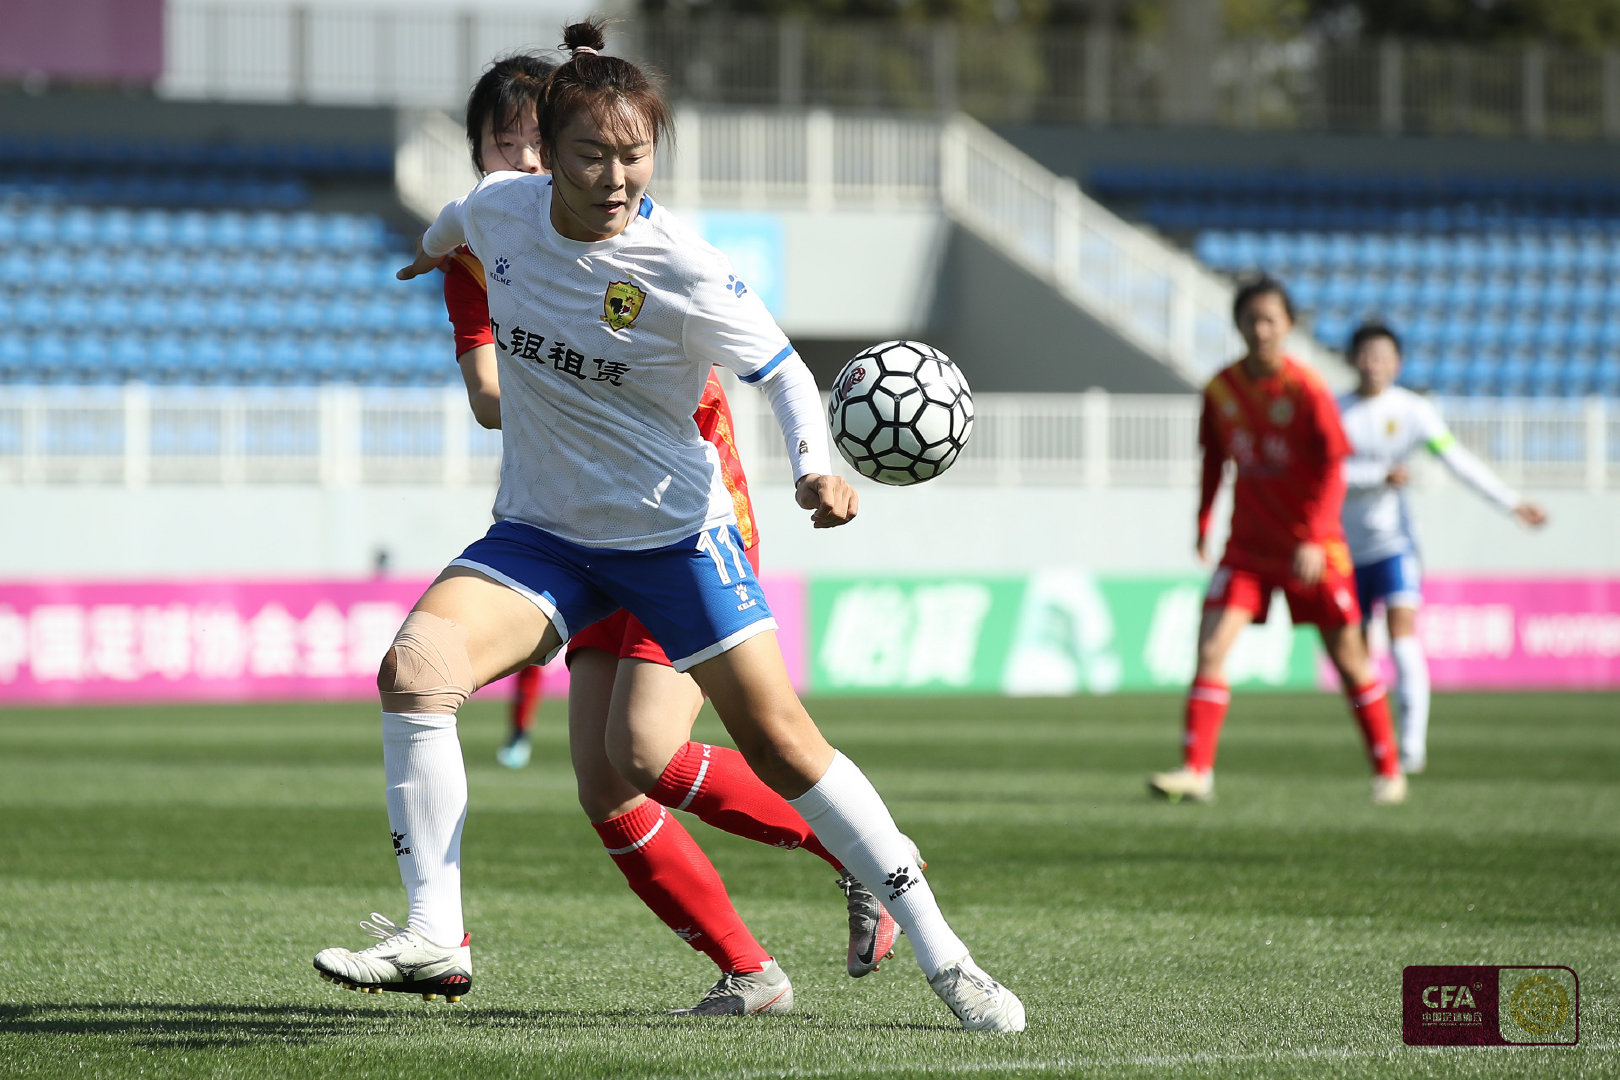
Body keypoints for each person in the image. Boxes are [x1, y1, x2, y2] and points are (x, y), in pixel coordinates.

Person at [315, 21, 1024, 1033]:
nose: (615, 177)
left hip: (671, 538)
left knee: (777, 744)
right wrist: (430, 257)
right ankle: (437, 933)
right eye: (591, 155)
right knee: (415, 670)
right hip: (544, 536)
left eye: (635, 154)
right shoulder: (500, 212)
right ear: (548, 154)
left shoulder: (680, 262)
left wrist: (817, 470)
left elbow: (780, 370)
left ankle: (948, 956)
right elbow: (453, 222)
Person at [1148, 276, 1406, 806]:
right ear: (1239, 324)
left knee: (1350, 659)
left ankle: (1388, 769)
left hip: (1313, 549)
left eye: (1270, 319)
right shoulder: (1221, 389)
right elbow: (1213, 461)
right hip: (1246, 547)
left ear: (1288, 325)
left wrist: (1314, 536)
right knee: (1212, 648)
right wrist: (1203, 522)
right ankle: (1197, 771)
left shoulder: (1307, 389)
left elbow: (1335, 468)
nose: (1260, 329)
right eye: (1251, 319)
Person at [1337, 321, 1548, 774]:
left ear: (1398, 363)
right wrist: (1376, 477)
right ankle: (1378, 741)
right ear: (1352, 359)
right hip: (1343, 550)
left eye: (1383, 355)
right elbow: (1321, 478)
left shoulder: (1412, 410)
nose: (1374, 363)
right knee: (1352, 654)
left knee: (1403, 635)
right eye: (1366, 354)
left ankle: (1411, 746)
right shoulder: (1335, 413)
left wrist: (1510, 502)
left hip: (1395, 546)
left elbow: (1456, 459)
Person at [439, 53, 555, 770]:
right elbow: (487, 399)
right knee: (617, 777)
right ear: (477, 150)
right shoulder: (470, 261)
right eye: (503, 144)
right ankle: (518, 732)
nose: (522, 161)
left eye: (540, 143)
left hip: (676, 496)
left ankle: (864, 850)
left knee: (648, 753)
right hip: (558, 497)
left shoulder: (625, 232)